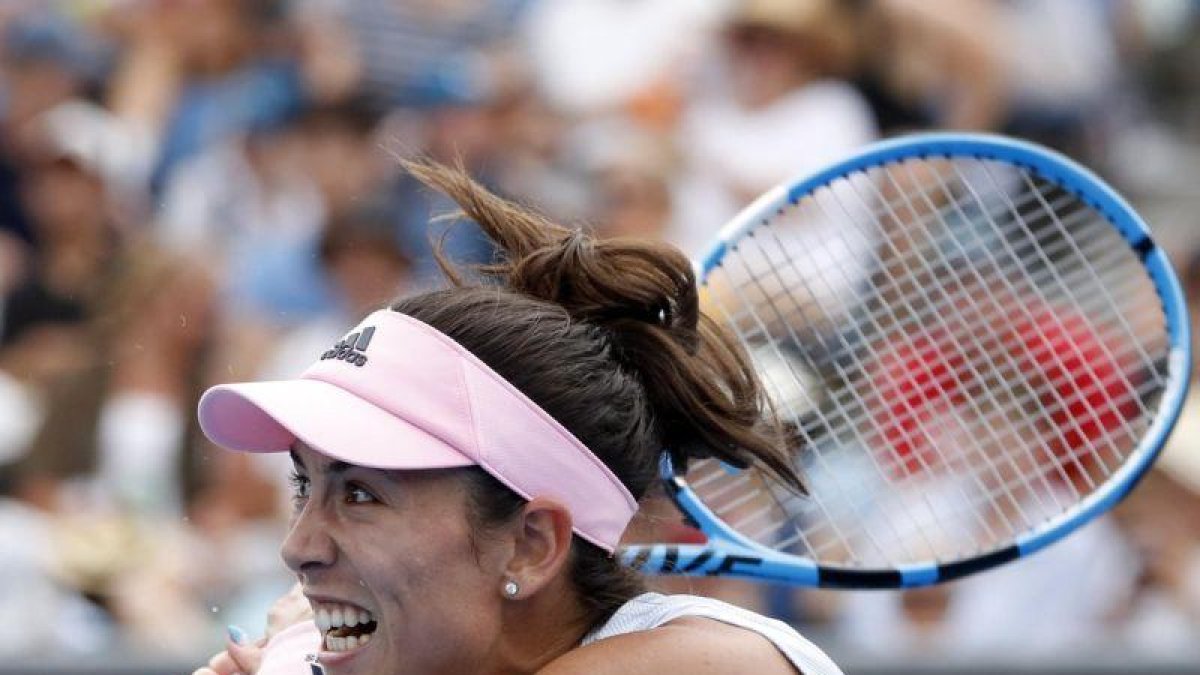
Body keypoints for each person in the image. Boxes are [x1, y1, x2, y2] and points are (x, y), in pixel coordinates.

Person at [191, 159, 843, 674]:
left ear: (532, 543)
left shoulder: (715, 660)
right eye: (306, 485)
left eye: (361, 493)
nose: (298, 546)